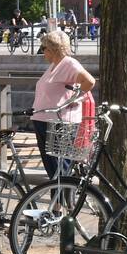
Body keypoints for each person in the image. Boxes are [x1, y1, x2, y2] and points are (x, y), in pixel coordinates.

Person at [31, 29, 96, 179]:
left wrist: (74, 100)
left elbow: (90, 81)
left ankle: (64, 201)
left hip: (58, 123)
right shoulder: (55, 65)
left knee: (60, 168)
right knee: (54, 170)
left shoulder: (69, 64)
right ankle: (59, 202)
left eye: (44, 48)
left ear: (53, 49)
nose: (42, 52)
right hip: (44, 120)